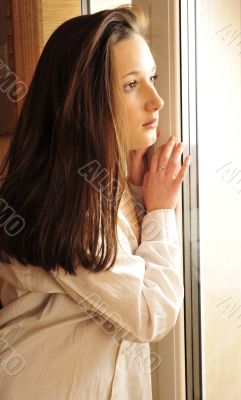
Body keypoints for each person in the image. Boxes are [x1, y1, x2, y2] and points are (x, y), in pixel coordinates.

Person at [0, 4, 191, 400]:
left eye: (152, 78)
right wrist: (158, 213)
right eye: (131, 85)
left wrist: (138, 196)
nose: (156, 100)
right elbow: (150, 314)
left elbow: (116, 274)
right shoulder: (73, 204)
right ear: (86, 99)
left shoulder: (91, 184)